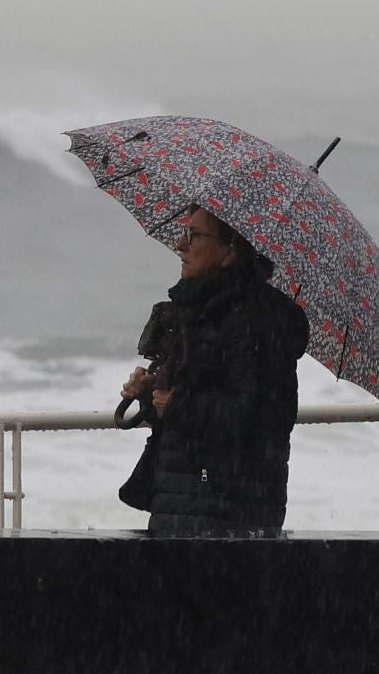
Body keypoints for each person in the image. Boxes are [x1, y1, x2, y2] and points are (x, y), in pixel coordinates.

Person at [118, 204, 311, 537]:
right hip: (185, 503)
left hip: (226, 513)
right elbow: (200, 391)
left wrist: (176, 402)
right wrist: (152, 390)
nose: (180, 244)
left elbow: (259, 416)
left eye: (194, 235)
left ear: (230, 251)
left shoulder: (256, 321)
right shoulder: (203, 310)